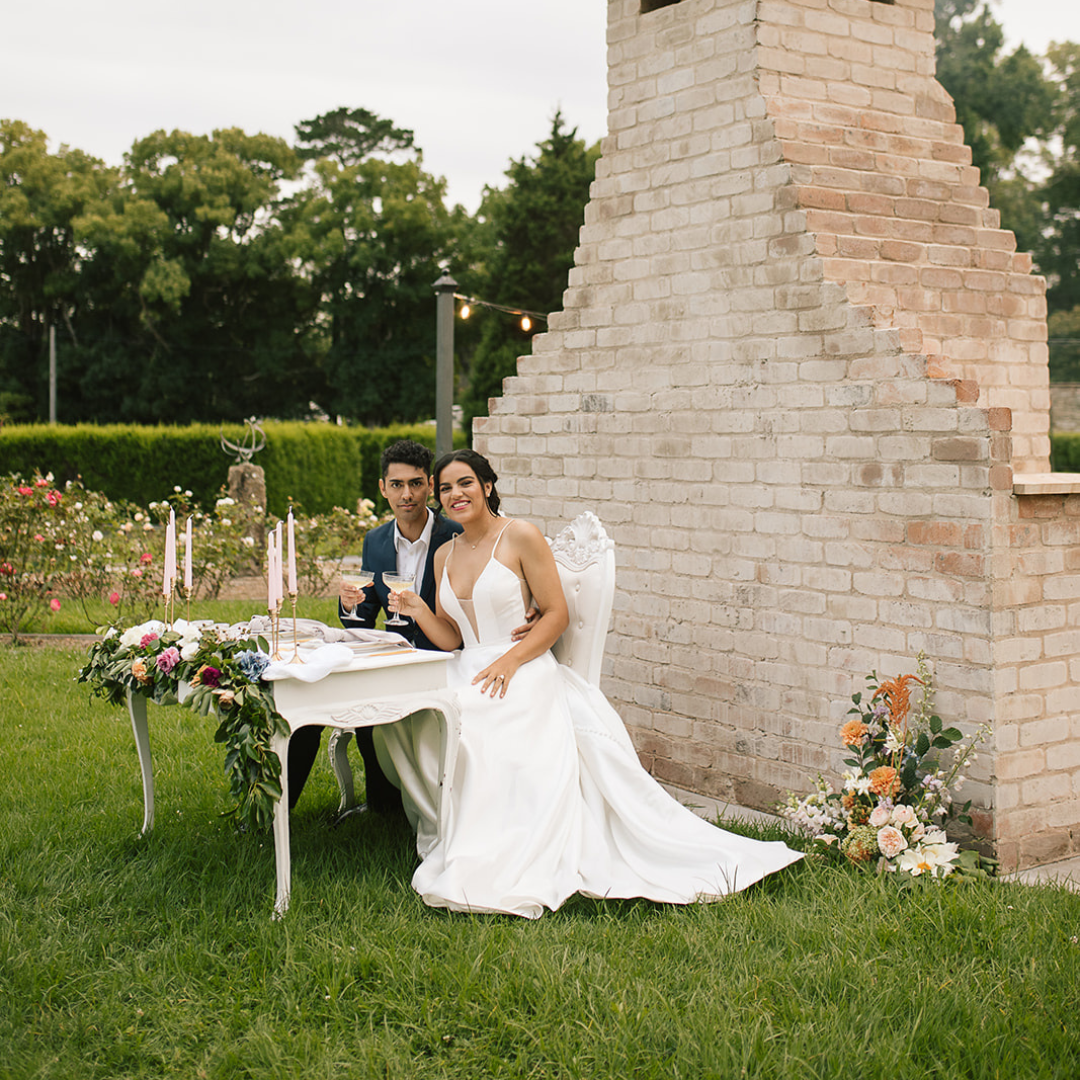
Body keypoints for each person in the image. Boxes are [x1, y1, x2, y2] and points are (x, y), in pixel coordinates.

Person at [382, 448, 804, 918]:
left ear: (486, 485)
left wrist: (511, 661)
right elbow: (452, 635)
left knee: (475, 719)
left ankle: (497, 845)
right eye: (445, 488)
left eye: (465, 483)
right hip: (468, 664)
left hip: (522, 665)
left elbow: (556, 614)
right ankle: (452, 827)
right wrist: (419, 611)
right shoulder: (443, 554)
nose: (455, 494)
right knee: (407, 714)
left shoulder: (520, 536)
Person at [288, 439, 538, 812]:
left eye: (416, 484)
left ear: (429, 487)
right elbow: (364, 613)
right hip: (390, 657)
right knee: (309, 702)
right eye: (397, 485)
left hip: (444, 658)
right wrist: (348, 603)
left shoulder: (457, 534)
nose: (407, 494)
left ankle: (391, 807)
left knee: (372, 716)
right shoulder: (374, 541)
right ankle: (278, 815)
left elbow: (496, 573)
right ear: (382, 488)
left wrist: (530, 604)